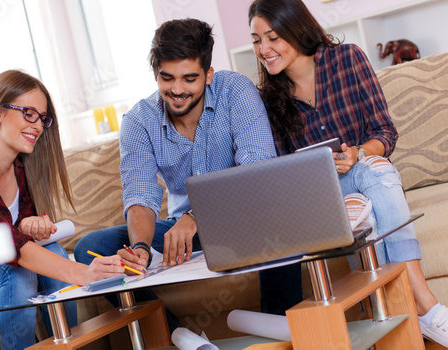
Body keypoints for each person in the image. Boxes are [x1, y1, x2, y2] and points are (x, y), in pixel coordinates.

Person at [74, 18, 303, 332]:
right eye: (167, 78)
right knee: (93, 244)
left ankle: (281, 333)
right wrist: (139, 248)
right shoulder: (139, 121)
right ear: (156, 75)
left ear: (208, 75)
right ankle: (176, 334)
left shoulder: (235, 91)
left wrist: (198, 214)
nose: (177, 90)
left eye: (189, 78)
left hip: (246, 216)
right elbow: (140, 195)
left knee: (282, 220)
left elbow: (257, 173)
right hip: (187, 234)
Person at [248, 0, 448, 346]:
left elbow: (385, 133)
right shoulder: (267, 99)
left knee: (374, 172)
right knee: (368, 194)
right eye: (256, 40)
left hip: (365, 175)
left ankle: (404, 306)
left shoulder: (348, 59)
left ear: (297, 29)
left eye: (273, 37)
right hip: (320, 196)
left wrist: (358, 153)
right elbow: (281, 170)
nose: (263, 50)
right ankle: (426, 309)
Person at [0, 70, 125, 350]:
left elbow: (13, 236)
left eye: (43, 118)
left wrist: (27, 225)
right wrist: (82, 273)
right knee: (17, 272)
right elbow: (7, 246)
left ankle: (67, 344)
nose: (38, 125)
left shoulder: (21, 170)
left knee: (53, 251)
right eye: (29, 113)